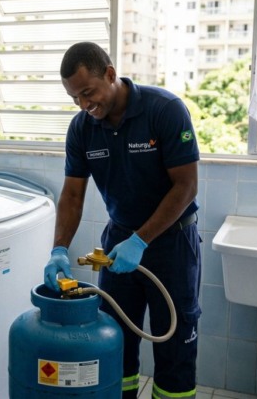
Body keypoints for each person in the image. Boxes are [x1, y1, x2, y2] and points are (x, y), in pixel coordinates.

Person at [43, 41, 201, 399]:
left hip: (172, 244)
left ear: (111, 74)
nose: (83, 105)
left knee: (175, 349)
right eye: (74, 98)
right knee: (114, 343)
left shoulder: (164, 110)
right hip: (119, 243)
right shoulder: (82, 129)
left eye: (87, 93)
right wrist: (58, 250)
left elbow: (187, 186)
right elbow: (72, 195)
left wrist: (141, 240)